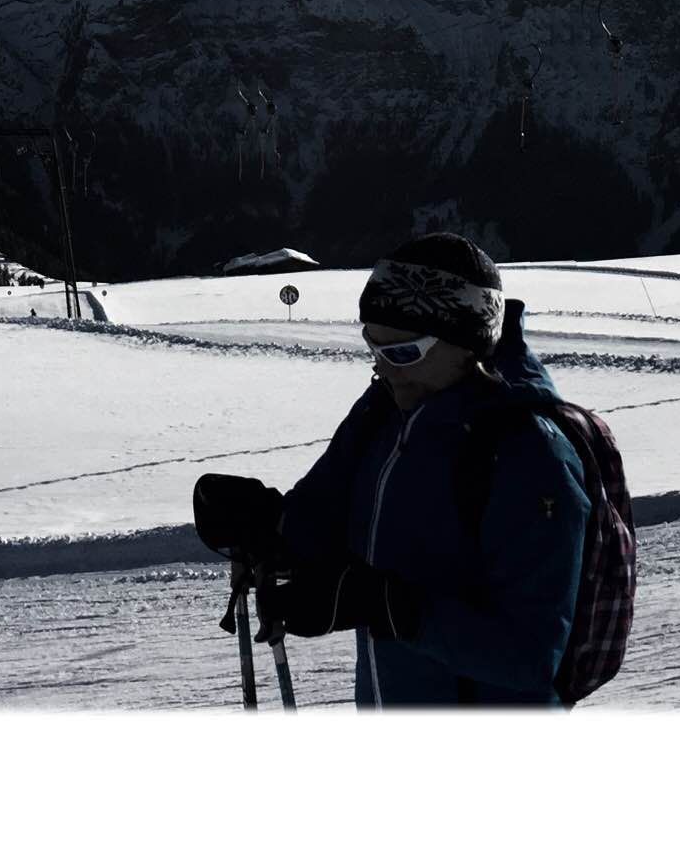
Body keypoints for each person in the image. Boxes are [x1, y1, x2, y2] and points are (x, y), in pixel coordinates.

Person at [264, 236, 627, 706]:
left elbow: (533, 655)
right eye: (373, 345)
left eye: (403, 352)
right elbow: (322, 521)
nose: (383, 369)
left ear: (468, 344)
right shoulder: (384, 414)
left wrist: (392, 608)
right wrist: (266, 526)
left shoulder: (529, 455)